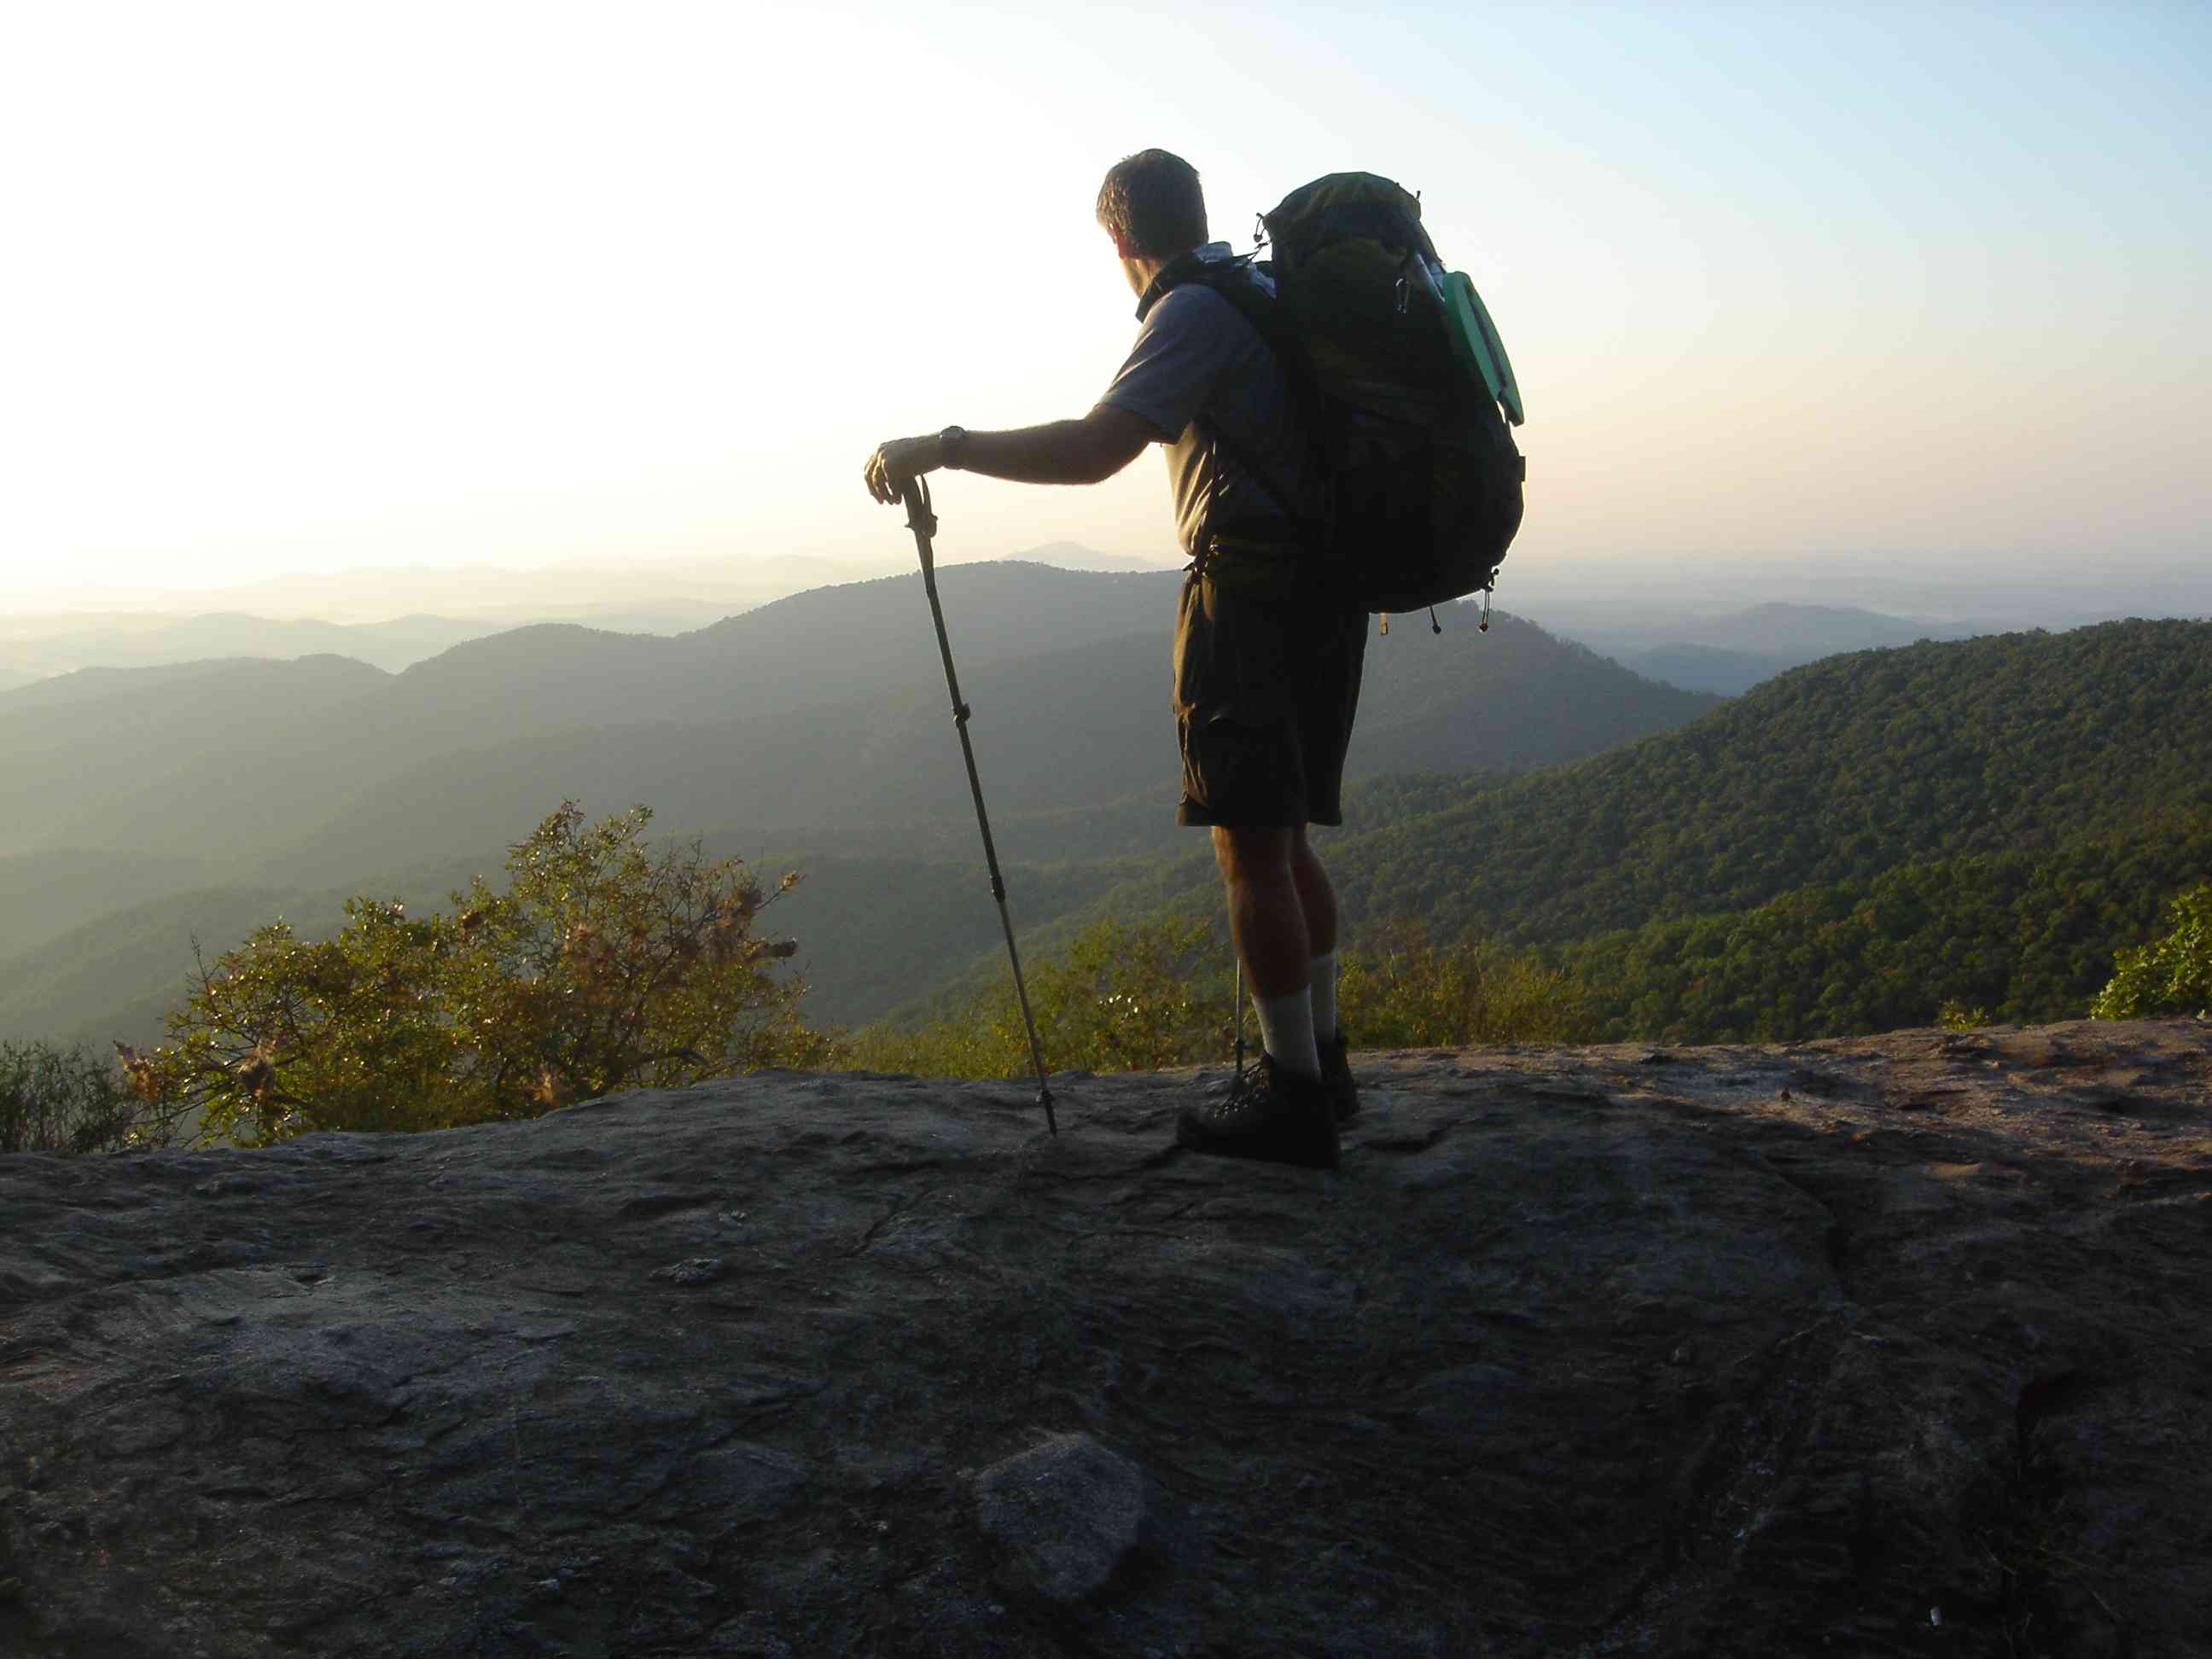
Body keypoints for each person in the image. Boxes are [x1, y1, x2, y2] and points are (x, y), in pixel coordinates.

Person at [863, 148, 1363, 1169]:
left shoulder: (1190, 313)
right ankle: (1326, 1061)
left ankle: (1293, 1098)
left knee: (1250, 846)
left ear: (1119, 238)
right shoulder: (1265, 292)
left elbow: (1098, 450)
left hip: (1252, 593)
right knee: (1289, 833)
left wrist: (947, 444)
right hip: (1330, 590)